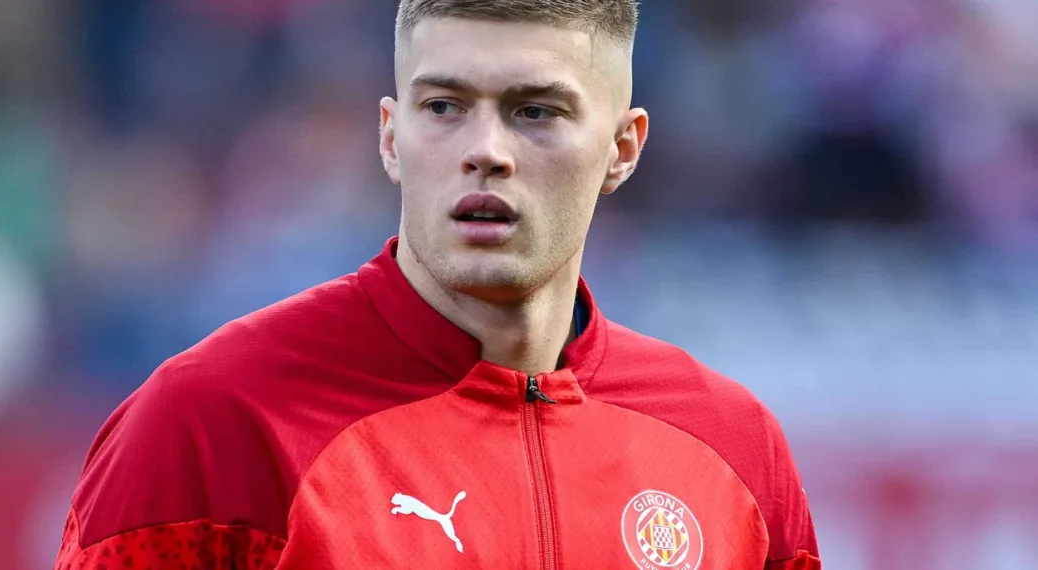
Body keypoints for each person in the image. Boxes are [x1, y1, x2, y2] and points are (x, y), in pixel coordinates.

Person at [53, 1, 821, 568]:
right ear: (392, 137)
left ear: (622, 148)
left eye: (536, 112)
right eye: (445, 107)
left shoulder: (733, 453)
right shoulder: (214, 424)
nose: (485, 150)